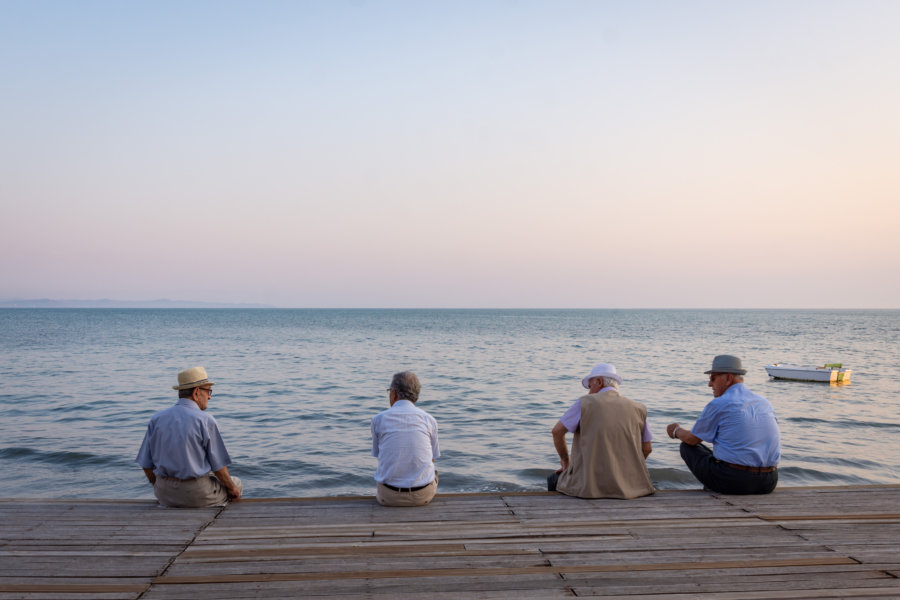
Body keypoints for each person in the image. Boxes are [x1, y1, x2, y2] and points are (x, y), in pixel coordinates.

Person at [666, 355, 780, 495]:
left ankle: (713, 485)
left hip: (736, 482)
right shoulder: (763, 402)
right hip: (769, 482)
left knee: (687, 447)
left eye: (713, 378)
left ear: (728, 378)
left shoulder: (720, 403)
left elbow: (691, 439)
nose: (709, 384)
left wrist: (676, 430)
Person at [136, 366, 242, 507]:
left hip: (164, 495)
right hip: (197, 494)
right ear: (197, 392)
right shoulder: (205, 420)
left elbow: (146, 465)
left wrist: (159, 485)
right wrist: (232, 488)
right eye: (208, 391)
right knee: (236, 484)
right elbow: (219, 468)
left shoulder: (156, 419)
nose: (209, 396)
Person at [548, 363, 655, 499]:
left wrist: (566, 462)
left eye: (590, 385)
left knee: (553, 479)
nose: (588, 391)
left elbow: (557, 432)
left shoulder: (586, 402)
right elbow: (647, 448)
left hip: (589, 487)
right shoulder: (639, 408)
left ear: (599, 382)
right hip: (630, 487)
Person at [371, 371, 440, 506]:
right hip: (422, 497)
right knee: (432, 468)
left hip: (388, 498)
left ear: (394, 393)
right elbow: (432, 458)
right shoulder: (429, 420)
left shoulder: (378, 419)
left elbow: (379, 455)